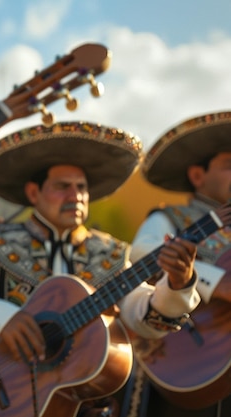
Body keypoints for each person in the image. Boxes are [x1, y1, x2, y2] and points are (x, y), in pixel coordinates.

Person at [0, 121, 200, 417]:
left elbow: (144, 315)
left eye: (82, 187)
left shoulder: (111, 253)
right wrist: (1, 317)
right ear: (34, 193)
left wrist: (178, 284)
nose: (76, 195)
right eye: (63, 187)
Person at [125, 111, 231, 417]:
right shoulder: (169, 218)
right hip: (189, 359)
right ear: (198, 176)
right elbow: (141, 255)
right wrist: (215, 282)